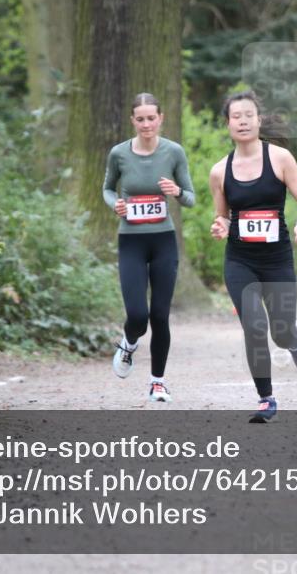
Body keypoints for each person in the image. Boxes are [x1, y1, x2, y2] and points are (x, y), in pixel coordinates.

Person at [208, 90, 297, 423]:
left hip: (277, 259)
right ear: (227, 124)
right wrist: (220, 225)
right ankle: (266, 398)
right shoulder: (219, 171)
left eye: (248, 115)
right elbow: (223, 215)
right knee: (254, 326)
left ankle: (294, 341)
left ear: (258, 120)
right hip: (239, 260)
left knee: (280, 331)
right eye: (235, 116)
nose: (242, 121)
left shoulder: (280, 158)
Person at [103, 92, 195, 402]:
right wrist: (116, 203)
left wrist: (177, 190)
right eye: (140, 119)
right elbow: (106, 189)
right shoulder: (118, 153)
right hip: (131, 240)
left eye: (151, 118)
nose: (146, 124)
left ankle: (158, 381)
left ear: (161, 119)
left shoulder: (174, 152)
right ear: (132, 120)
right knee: (138, 314)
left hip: (163, 240)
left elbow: (191, 198)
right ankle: (129, 343)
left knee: (159, 314)